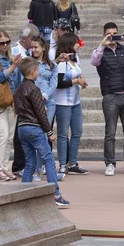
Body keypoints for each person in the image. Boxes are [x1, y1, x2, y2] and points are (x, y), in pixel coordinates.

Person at [13, 57, 70, 207]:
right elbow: (40, 113)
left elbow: (19, 108)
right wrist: (49, 132)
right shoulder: (34, 89)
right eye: (37, 70)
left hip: (21, 127)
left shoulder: (19, 88)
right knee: (48, 159)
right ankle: (55, 193)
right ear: (32, 72)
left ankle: (23, 195)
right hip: (34, 127)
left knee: (30, 162)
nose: (38, 73)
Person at [90, 22, 124, 176]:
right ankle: (109, 163)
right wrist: (102, 44)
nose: (112, 37)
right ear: (104, 35)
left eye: (115, 33)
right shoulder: (100, 51)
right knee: (110, 132)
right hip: (111, 96)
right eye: (109, 34)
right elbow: (94, 61)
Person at [0, 30, 22, 181]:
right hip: (0, 102)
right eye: (2, 43)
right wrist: (13, 67)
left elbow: (18, 81)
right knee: (1, 135)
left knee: (9, 136)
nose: (5, 45)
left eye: (7, 42)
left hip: (12, 100)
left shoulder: (11, 58)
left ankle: (5, 166)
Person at [54, 32, 89, 174]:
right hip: (63, 102)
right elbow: (59, 83)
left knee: (77, 131)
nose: (79, 45)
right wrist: (76, 81)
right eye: (76, 43)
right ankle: (63, 163)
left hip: (75, 101)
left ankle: (73, 162)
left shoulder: (74, 60)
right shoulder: (62, 62)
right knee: (63, 134)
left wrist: (82, 80)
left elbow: (78, 75)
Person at [31, 36, 59, 181]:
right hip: (32, 103)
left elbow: (54, 84)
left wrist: (45, 95)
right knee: (38, 136)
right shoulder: (29, 63)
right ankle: (36, 170)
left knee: (44, 135)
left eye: (36, 47)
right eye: (32, 47)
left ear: (43, 48)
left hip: (48, 103)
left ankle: (46, 169)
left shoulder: (52, 65)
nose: (34, 50)